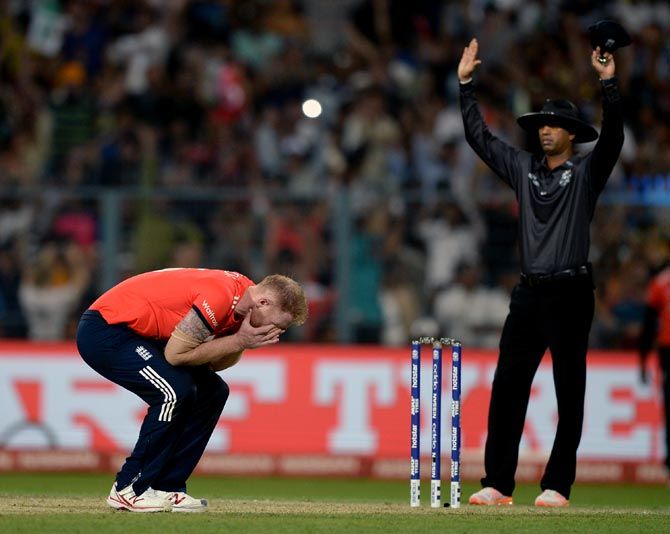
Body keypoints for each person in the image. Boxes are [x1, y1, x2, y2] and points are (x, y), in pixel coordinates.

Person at [457, 38, 623, 507]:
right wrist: (465, 85)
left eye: (556, 124)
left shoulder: (587, 175)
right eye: (543, 123)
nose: (547, 129)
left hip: (572, 291)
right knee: (507, 386)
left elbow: (613, 140)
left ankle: (557, 486)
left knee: (569, 390)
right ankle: (498, 484)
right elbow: (481, 140)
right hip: (528, 294)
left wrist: (608, 85)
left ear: (572, 133)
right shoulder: (524, 169)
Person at [76, 268, 307, 512]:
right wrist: (240, 341)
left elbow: (213, 364)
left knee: (213, 392)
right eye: (276, 324)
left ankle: (167, 486)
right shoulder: (221, 296)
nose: (275, 332)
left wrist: (241, 339)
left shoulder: (244, 303)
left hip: (140, 336)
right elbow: (175, 356)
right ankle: (129, 489)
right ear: (263, 302)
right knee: (171, 393)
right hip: (106, 329)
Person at [638, 262, 670, 476]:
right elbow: (649, 324)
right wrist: (642, 360)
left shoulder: (661, 282)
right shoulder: (661, 283)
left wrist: (642, 360)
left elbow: (648, 325)